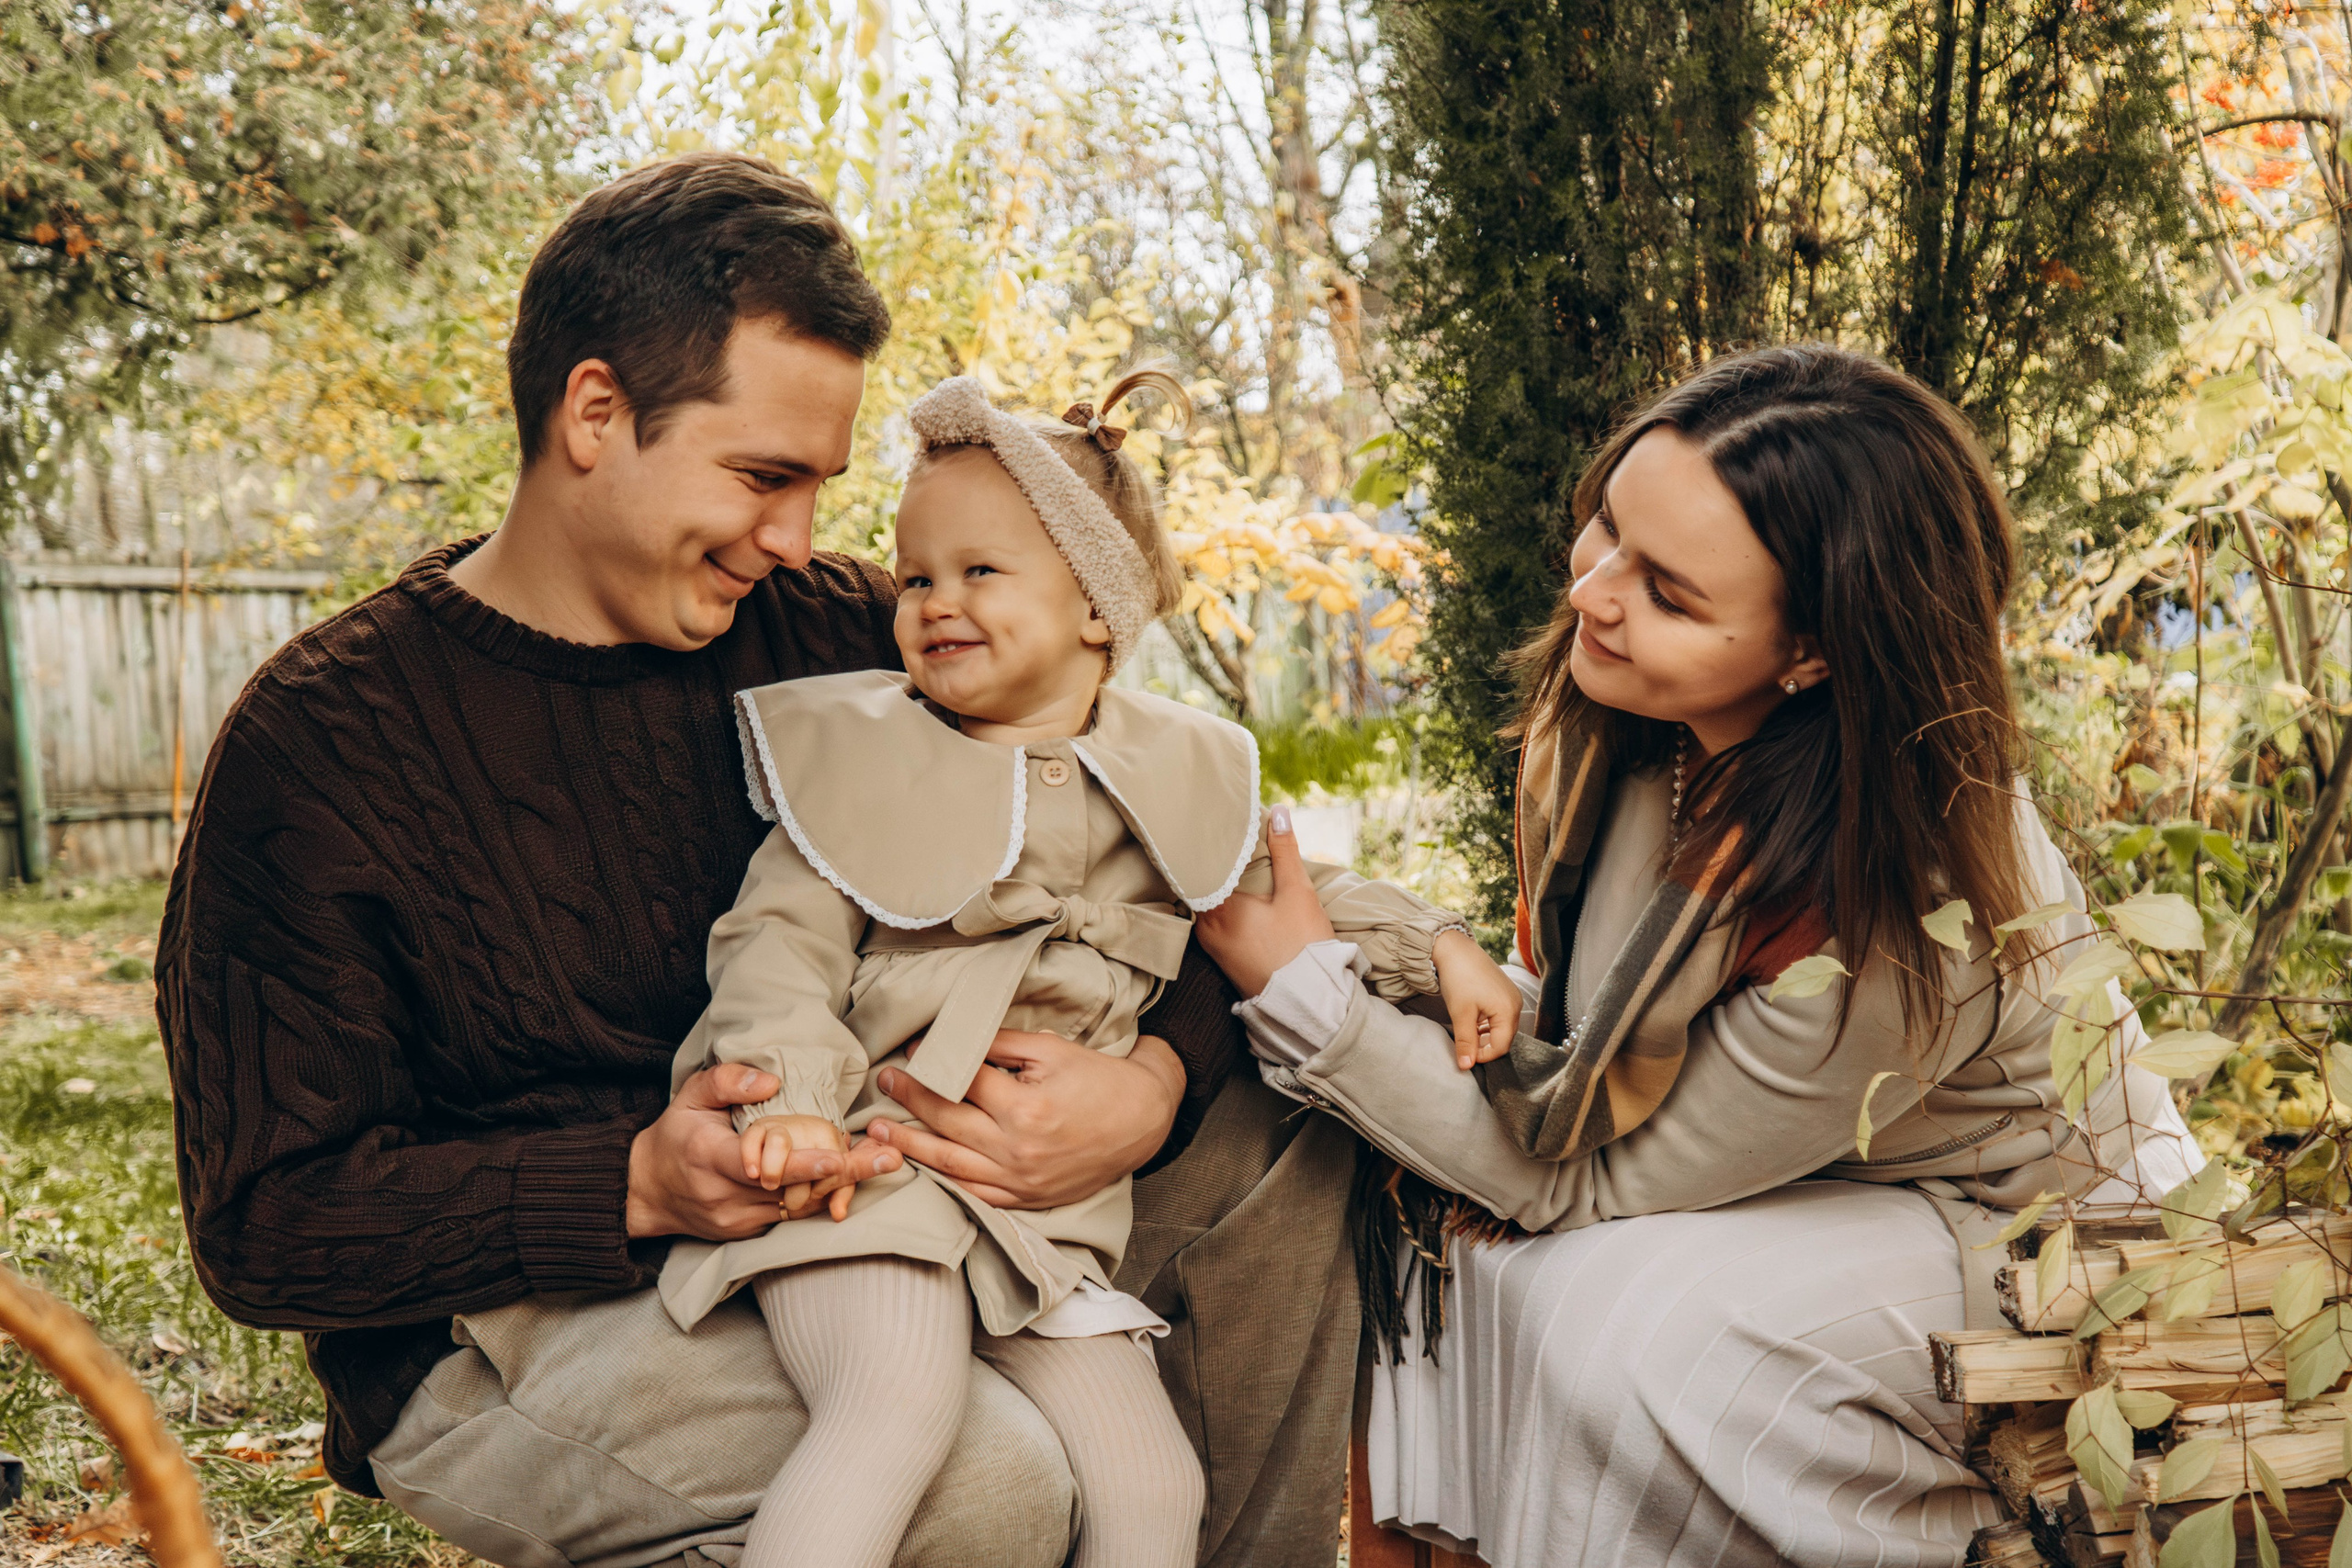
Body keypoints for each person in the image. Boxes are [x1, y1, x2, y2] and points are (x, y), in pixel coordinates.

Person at [155, 152, 1362, 1568]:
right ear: (595, 413)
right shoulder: (327, 744)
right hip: (523, 1311)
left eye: (820, 487)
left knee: (1302, 1118)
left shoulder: (851, 633)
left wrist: (1149, 1090)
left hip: (917, 1193)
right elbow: (270, 1225)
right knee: (980, 1482)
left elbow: (1153, 847)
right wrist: (633, 1183)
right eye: (763, 478)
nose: (797, 540)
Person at [1195, 344, 2204, 1568]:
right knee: (1454, 1250)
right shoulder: (1639, 731)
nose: (1594, 594)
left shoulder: (1900, 898)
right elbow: (1587, 1058)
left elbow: (1587, 1183)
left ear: (1815, 653)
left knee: (1616, 1317)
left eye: (1668, 592)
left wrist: (1314, 1000)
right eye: (1608, 529)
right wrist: (1431, 948)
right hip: (1819, 1167)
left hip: (2016, 1223)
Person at [590, 369, 1504, 1568]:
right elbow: (776, 954)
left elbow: (1294, 891)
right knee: (892, 1408)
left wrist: (1434, 949)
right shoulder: (862, 766)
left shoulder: (1169, 771)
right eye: (916, 575)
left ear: (1094, 608)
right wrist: (791, 1109)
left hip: (1042, 1235)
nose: (931, 602)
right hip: (868, 1179)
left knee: (1150, 1484)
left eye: (979, 572)